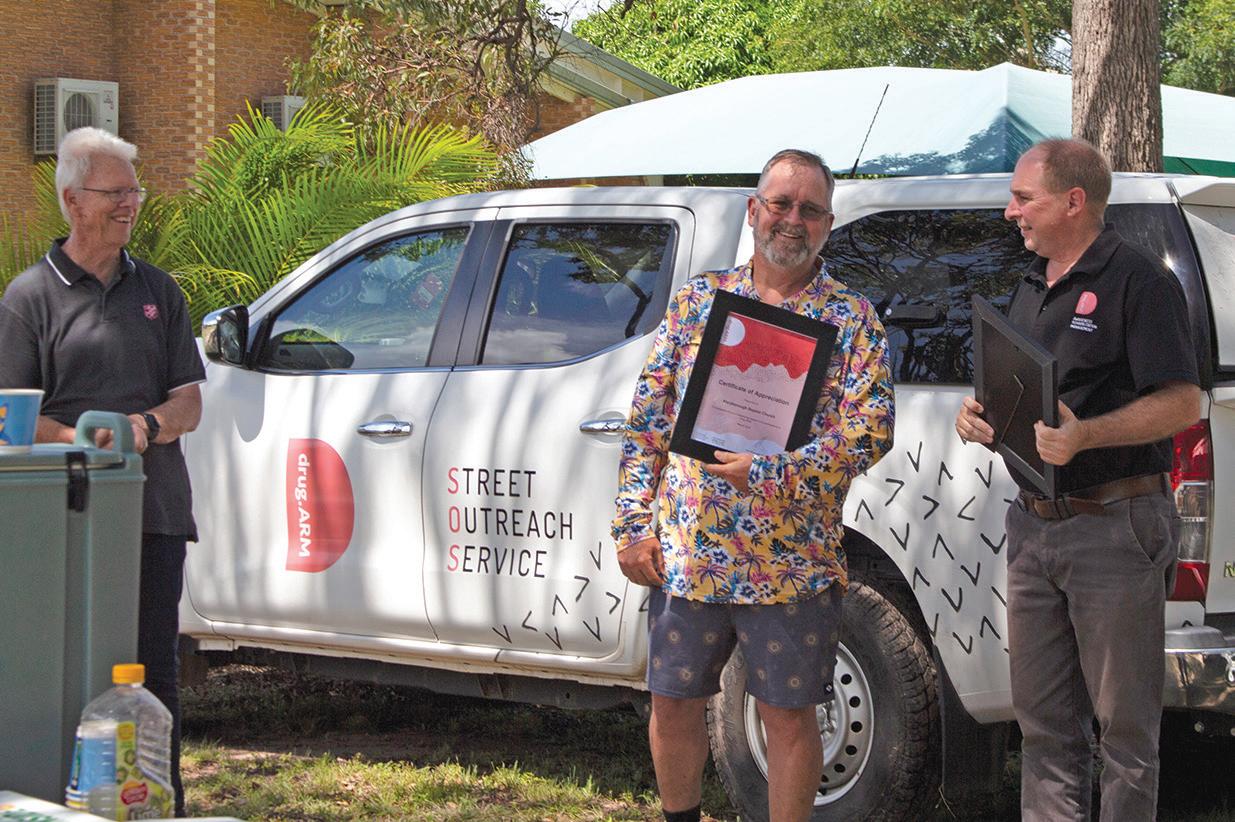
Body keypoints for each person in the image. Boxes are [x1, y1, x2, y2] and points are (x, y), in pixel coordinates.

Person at [612, 149, 894, 822]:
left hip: (791, 565)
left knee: (789, 719)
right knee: (672, 704)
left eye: (810, 209)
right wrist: (631, 525)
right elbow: (647, 421)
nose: (792, 220)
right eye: (780, 203)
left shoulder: (852, 319)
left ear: (828, 224)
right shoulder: (698, 302)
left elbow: (870, 431)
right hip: (688, 557)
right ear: (752, 210)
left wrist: (772, 472)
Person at [955, 138, 1200, 821]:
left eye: (1022, 198)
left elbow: (1183, 403)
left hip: (1114, 528)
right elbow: (1016, 388)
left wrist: (1085, 435)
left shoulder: (1139, 282)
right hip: (1033, 527)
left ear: (1073, 201)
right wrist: (977, 416)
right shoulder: (1030, 283)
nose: (1010, 212)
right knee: (1043, 731)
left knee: (1125, 736)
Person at [0, 127, 206, 816]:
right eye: (114, 192)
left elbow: (188, 402)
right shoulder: (28, 297)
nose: (130, 204)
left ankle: (157, 809)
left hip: (153, 514)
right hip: (61, 522)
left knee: (151, 678)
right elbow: (10, 413)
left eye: (134, 191)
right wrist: (85, 438)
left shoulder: (159, 291)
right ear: (72, 199)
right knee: (57, 672)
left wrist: (144, 427)